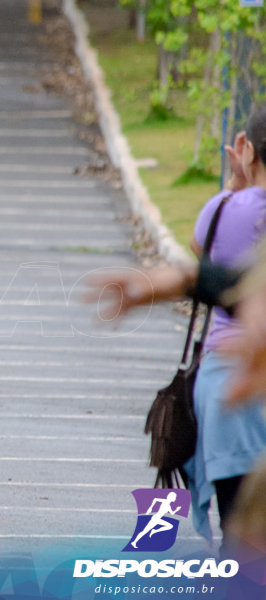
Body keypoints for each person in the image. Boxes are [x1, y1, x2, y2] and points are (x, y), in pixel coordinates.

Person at [92, 108, 266, 544]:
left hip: (225, 381)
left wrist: (233, 188)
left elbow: (205, 252)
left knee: (241, 533)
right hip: (243, 375)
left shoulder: (223, 209)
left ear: (248, 151)